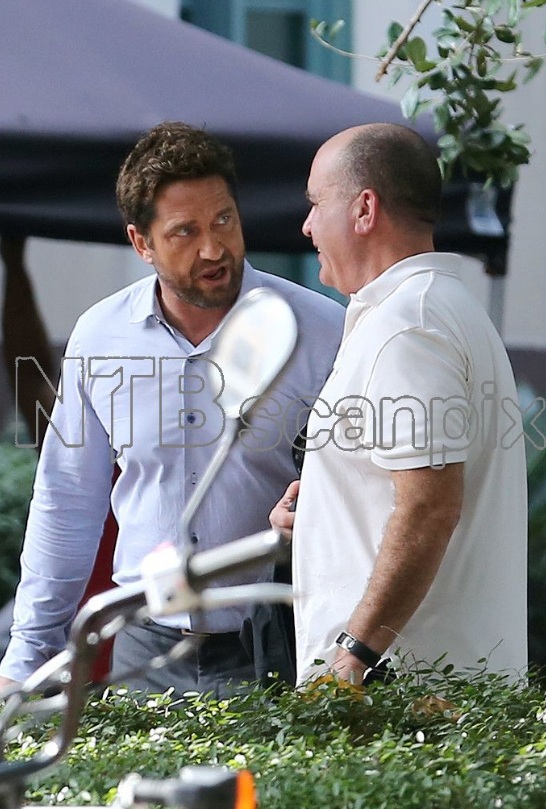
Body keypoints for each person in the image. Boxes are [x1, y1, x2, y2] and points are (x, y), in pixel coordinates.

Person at [0, 122, 344, 698]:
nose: (213, 248)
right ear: (141, 243)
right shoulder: (100, 336)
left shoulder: (322, 329)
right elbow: (67, 499)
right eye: (185, 231)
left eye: (224, 220)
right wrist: (26, 654)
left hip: (279, 641)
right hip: (143, 646)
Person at [270, 123, 528, 687]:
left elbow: (429, 508)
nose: (307, 225)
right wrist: (323, 506)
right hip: (424, 694)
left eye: (316, 203)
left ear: (364, 210)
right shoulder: (427, 310)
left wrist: (352, 657)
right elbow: (409, 492)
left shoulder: (408, 325)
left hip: (402, 699)